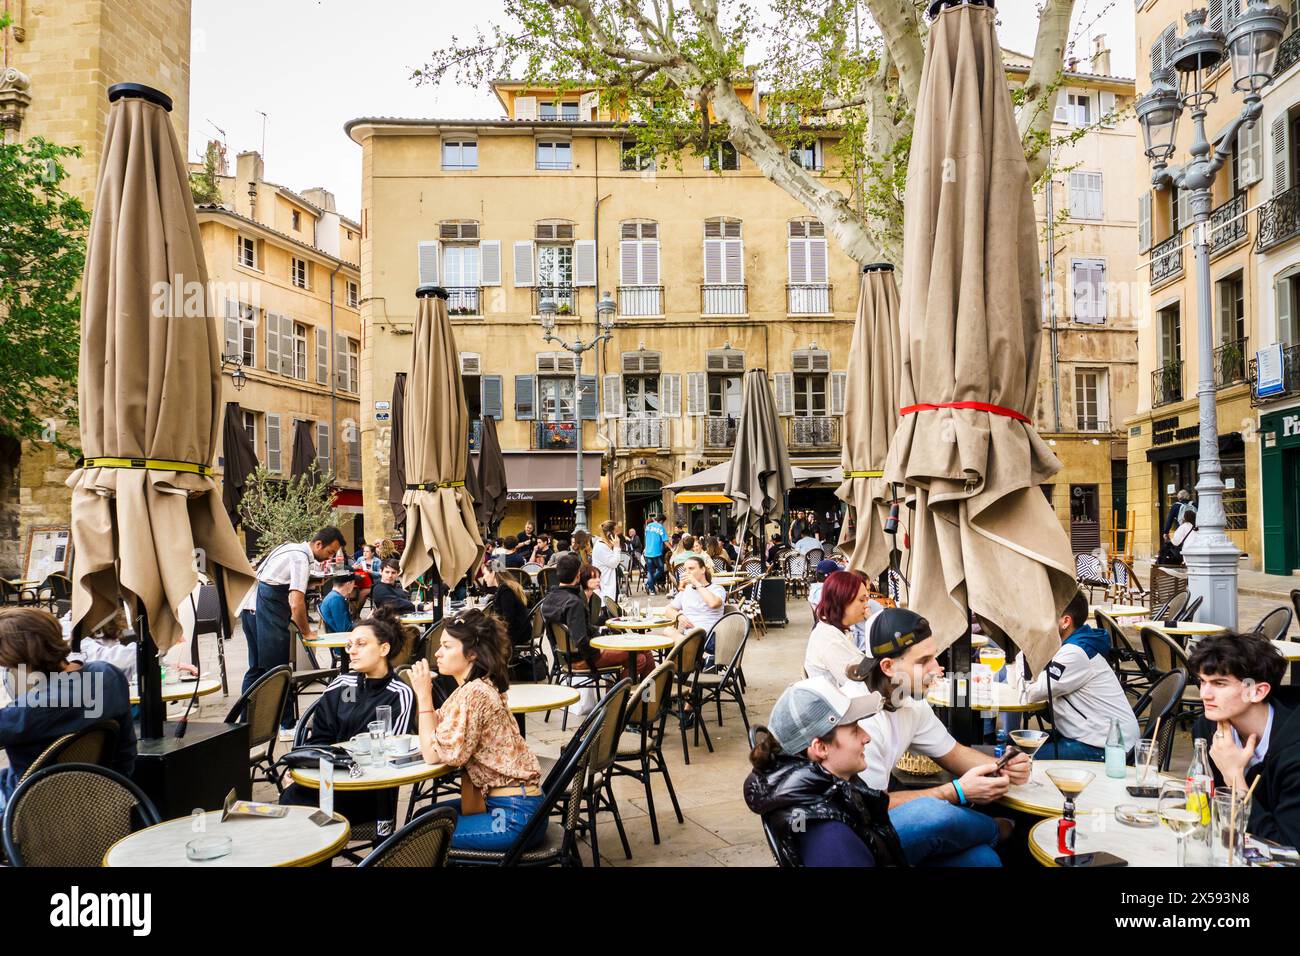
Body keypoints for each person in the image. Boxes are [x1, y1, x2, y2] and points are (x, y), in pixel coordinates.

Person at [844, 608, 1024, 866]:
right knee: (933, 813)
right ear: (888, 667)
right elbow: (872, 808)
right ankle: (1003, 830)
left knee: (984, 860)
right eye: (923, 661)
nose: (937, 669)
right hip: (858, 836)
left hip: (881, 825)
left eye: (934, 657)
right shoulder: (861, 717)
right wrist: (956, 791)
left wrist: (1003, 766)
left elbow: (954, 753)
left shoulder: (906, 699)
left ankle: (997, 836)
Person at [410, 610, 547, 852]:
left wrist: (423, 695)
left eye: (446, 646)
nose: (437, 653)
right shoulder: (475, 686)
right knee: (422, 817)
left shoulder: (474, 694)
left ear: (472, 653)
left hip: (513, 817)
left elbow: (432, 754)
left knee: (420, 836)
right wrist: (426, 698)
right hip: (520, 806)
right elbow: (436, 733)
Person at [744, 677, 905, 866]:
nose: (866, 737)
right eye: (854, 730)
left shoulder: (813, 794)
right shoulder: (831, 839)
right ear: (820, 748)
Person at [279, 607, 415, 827]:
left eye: (361, 644)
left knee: (302, 814)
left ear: (384, 648)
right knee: (292, 803)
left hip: (369, 791)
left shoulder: (399, 693)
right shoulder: (342, 686)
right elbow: (320, 738)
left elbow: (390, 753)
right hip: (328, 781)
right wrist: (302, 768)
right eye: (350, 645)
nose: (352, 651)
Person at [0, 608, 137, 813]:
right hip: (105, 794)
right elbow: (126, 750)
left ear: (20, 662)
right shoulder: (108, 675)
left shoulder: (24, 714)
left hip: (29, 811)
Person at [1191, 633, 1300, 848]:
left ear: (1257, 691)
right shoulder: (1208, 728)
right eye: (1202, 681)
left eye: (1219, 684)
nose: (1205, 694)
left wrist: (1234, 778)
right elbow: (1208, 812)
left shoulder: (1295, 752)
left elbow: (1286, 847)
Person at [1010, 590, 1139, 761]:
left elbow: (1028, 694)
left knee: (1014, 760)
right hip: (1087, 735)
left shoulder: (1075, 653)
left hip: (1107, 747)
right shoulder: (1070, 645)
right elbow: (1026, 685)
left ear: (1065, 621)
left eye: (1047, 615)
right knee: (1007, 746)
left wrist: (1024, 650)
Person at [237, 527, 346, 724]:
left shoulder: (288, 547)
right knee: (279, 671)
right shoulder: (300, 558)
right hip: (265, 614)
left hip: (249, 610)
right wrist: (307, 632)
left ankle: (245, 722)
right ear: (318, 544)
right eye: (330, 552)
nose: (329, 558)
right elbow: (296, 604)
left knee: (256, 669)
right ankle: (287, 724)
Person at [539, 554, 651, 684]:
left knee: (639, 654)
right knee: (641, 657)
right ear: (578, 576)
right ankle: (624, 699)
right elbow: (581, 640)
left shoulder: (548, 599)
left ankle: (635, 698)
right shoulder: (574, 602)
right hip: (583, 659)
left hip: (564, 657)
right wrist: (601, 648)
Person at [805, 571, 872, 685]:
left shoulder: (834, 631)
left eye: (867, 599)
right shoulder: (830, 640)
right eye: (861, 600)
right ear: (842, 601)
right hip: (844, 700)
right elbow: (861, 685)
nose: (867, 605)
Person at [668, 555, 727, 645]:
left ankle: (687, 648)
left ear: (703, 570)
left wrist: (696, 583)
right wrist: (679, 617)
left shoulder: (717, 589)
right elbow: (668, 610)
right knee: (668, 631)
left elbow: (713, 603)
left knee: (676, 642)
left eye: (691, 569)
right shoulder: (687, 590)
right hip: (688, 635)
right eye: (685, 570)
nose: (687, 572)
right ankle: (690, 649)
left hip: (708, 636)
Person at [591, 520, 623, 601]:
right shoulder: (601, 546)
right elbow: (614, 563)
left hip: (608, 585)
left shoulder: (603, 544)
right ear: (609, 534)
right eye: (616, 532)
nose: (618, 536)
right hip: (606, 588)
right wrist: (616, 547)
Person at [643, 514, 668, 594]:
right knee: (661, 569)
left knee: (650, 572)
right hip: (656, 552)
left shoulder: (648, 526)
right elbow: (665, 541)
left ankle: (651, 589)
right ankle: (648, 584)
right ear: (661, 521)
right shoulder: (660, 527)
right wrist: (672, 548)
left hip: (647, 552)